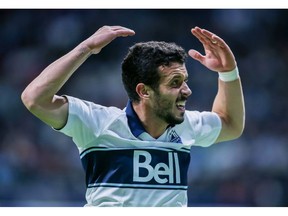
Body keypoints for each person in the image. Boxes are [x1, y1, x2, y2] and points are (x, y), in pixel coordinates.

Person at [21, 25, 245, 207]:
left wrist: (228, 72)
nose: (187, 91)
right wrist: (85, 48)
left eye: (185, 81)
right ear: (144, 91)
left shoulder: (187, 125)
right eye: (175, 83)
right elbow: (34, 98)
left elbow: (230, 123)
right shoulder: (97, 122)